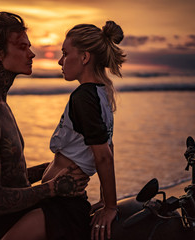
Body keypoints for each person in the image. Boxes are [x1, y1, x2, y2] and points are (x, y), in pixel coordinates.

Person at [0, 12, 89, 240]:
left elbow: (11, 179)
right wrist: (52, 188)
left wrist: (55, 168)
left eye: (28, 46)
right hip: (4, 228)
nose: (31, 53)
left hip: (23, 215)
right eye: (21, 47)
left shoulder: (0, 103)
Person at [41, 22, 126, 240]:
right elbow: (109, 147)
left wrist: (110, 207)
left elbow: (104, 156)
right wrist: (104, 201)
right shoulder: (101, 93)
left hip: (61, 208)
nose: (60, 61)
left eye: (65, 53)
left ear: (85, 57)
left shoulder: (83, 97)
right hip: (64, 203)